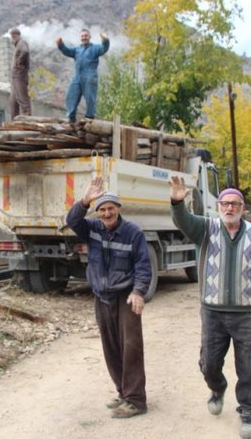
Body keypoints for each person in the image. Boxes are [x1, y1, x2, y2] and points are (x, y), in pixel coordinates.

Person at [169, 179, 251, 439]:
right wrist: (177, 202)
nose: (229, 208)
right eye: (224, 203)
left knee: (249, 367)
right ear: (218, 206)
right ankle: (218, 387)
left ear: (243, 208)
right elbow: (183, 220)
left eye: (234, 204)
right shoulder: (205, 228)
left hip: (247, 314)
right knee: (209, 363)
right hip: (213, 312)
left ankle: (247, 411)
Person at [66, 177, 150, 419]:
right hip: (101, 296)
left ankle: (136, 400)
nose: (106, 213)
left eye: (110, 208)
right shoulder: (92, 229)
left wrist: (138, 291)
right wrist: (84, 201)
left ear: (119, 209)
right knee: (111, 348)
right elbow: (72, 220)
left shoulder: (133, 233)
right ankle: (124, 393)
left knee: (131, 347)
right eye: (101, 209)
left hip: (125, 296)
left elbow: (143, 265)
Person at [56, 29, 109, 122]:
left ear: (90, 37)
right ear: (80, 37)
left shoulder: (95, 48)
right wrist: (60, 45)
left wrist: (105, 40)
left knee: (90, 98)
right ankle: (71, 118)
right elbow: (67, 51)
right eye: (82, 36)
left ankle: (89, 119)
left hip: (90, 77)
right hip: (77, 77)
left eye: (86, 36)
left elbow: (104, 48)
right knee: (71, 95)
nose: (84, 37)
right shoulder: (77, 49)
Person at [9, 28, 32, 119]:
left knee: (22, 98)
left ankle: (27, 117)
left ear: (14, 35)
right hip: (15, 76)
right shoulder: (19, 44)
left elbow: (25, 51)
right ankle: (14, 120)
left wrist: (19, 62)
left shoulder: (21, 43)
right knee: (13, 101)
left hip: (20, 75)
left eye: (12, 36)